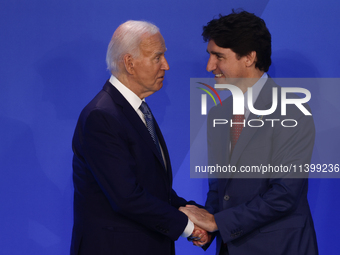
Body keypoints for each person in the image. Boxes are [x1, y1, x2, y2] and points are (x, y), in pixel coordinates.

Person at [180, 10, 318, 255]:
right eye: (209, 55)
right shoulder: (218, 115)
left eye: (218, 56)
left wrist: (217, 223)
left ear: (249, 57)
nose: (209, 66)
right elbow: (219, 187)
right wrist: (208, 226)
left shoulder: (293, 111)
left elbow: (284, 194)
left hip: (279, 248)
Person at [70, 20, 207, 255]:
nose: (166, 65)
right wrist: (189, 227)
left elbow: (150, 186)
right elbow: (126, 197)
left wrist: (191, 210)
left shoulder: (136, 109)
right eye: (157, 57)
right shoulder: (101, 116)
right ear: (130, 63)